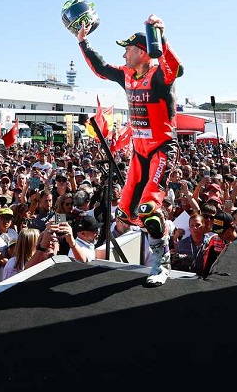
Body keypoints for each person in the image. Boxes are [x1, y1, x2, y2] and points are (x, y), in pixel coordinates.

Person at [76, 14, 183, 286]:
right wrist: (84, 42)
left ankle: (162, 263)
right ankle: (162, 231)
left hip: (162, 149)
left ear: (143, 51)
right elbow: (101, 68)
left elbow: (175, 67)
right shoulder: (126, 75)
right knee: (126, 214)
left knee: (148, 208)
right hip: (139, 153)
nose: (123, 54)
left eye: (128, 49)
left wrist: (162, 37)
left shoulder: (159, 76)